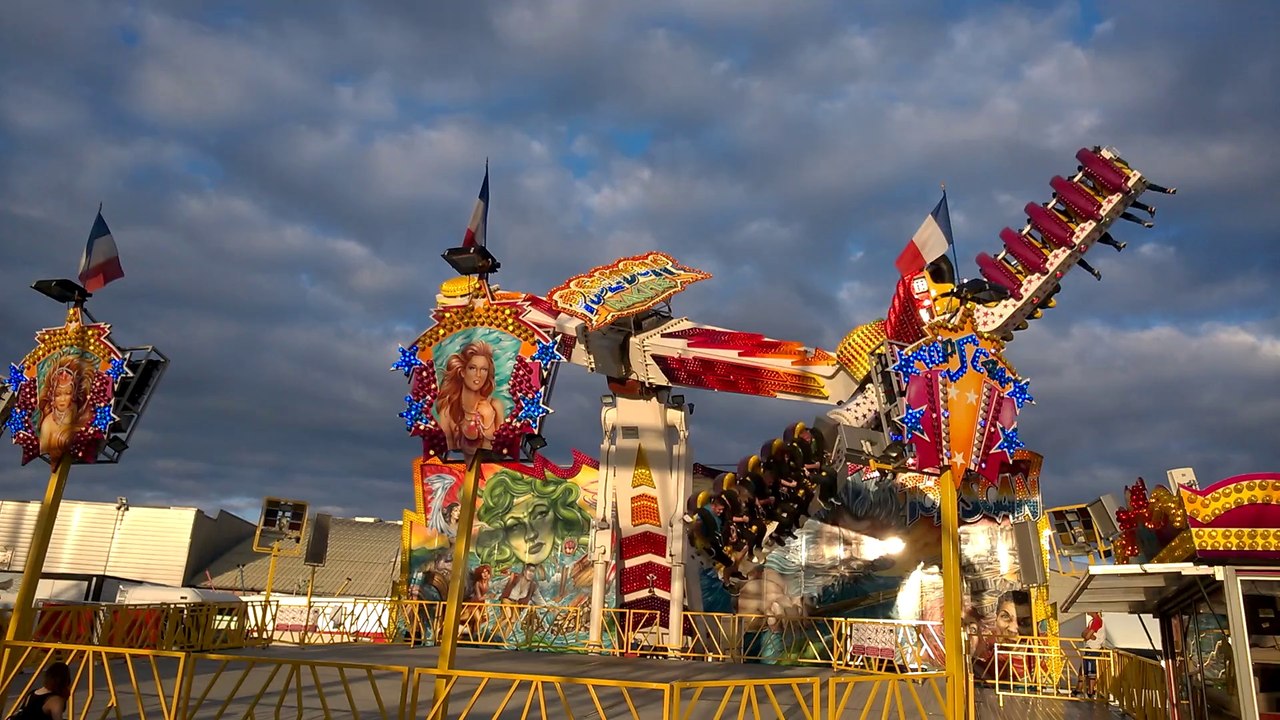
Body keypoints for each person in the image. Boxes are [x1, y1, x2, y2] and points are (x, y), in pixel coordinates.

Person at [475, 469, 592, 570]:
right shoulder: (502, 578)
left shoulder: (583, 561)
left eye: (540, 514)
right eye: (515, 526)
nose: (530, 534)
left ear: (558, 516)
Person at [434, 341, 505, 456]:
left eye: (484, 369)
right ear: (462, 371)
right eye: (472, 368)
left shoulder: (495, 406)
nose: (478, 374)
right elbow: (444, 456)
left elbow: (501, 453)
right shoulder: (448, 410)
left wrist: (488, 421)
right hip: (457, 472)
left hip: (491, 471)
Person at [37, 358, 94, 465]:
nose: (62, 399)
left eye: (67, 393)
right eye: (58, 394)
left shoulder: (83, 414)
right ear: (52, 397)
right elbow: (44, 446)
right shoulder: (47, 423)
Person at [1078, 613, 1105, 698]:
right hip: (1090, 648)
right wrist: (1088, 635)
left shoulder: (1097, 621)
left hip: (1094, 648)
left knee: (1091, 671)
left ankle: (1090, 691)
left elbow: (1087, 635)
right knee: (1083, 670)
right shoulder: (1092, 621)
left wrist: (1088, 635)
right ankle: (1082, 689)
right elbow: (1084, 634)